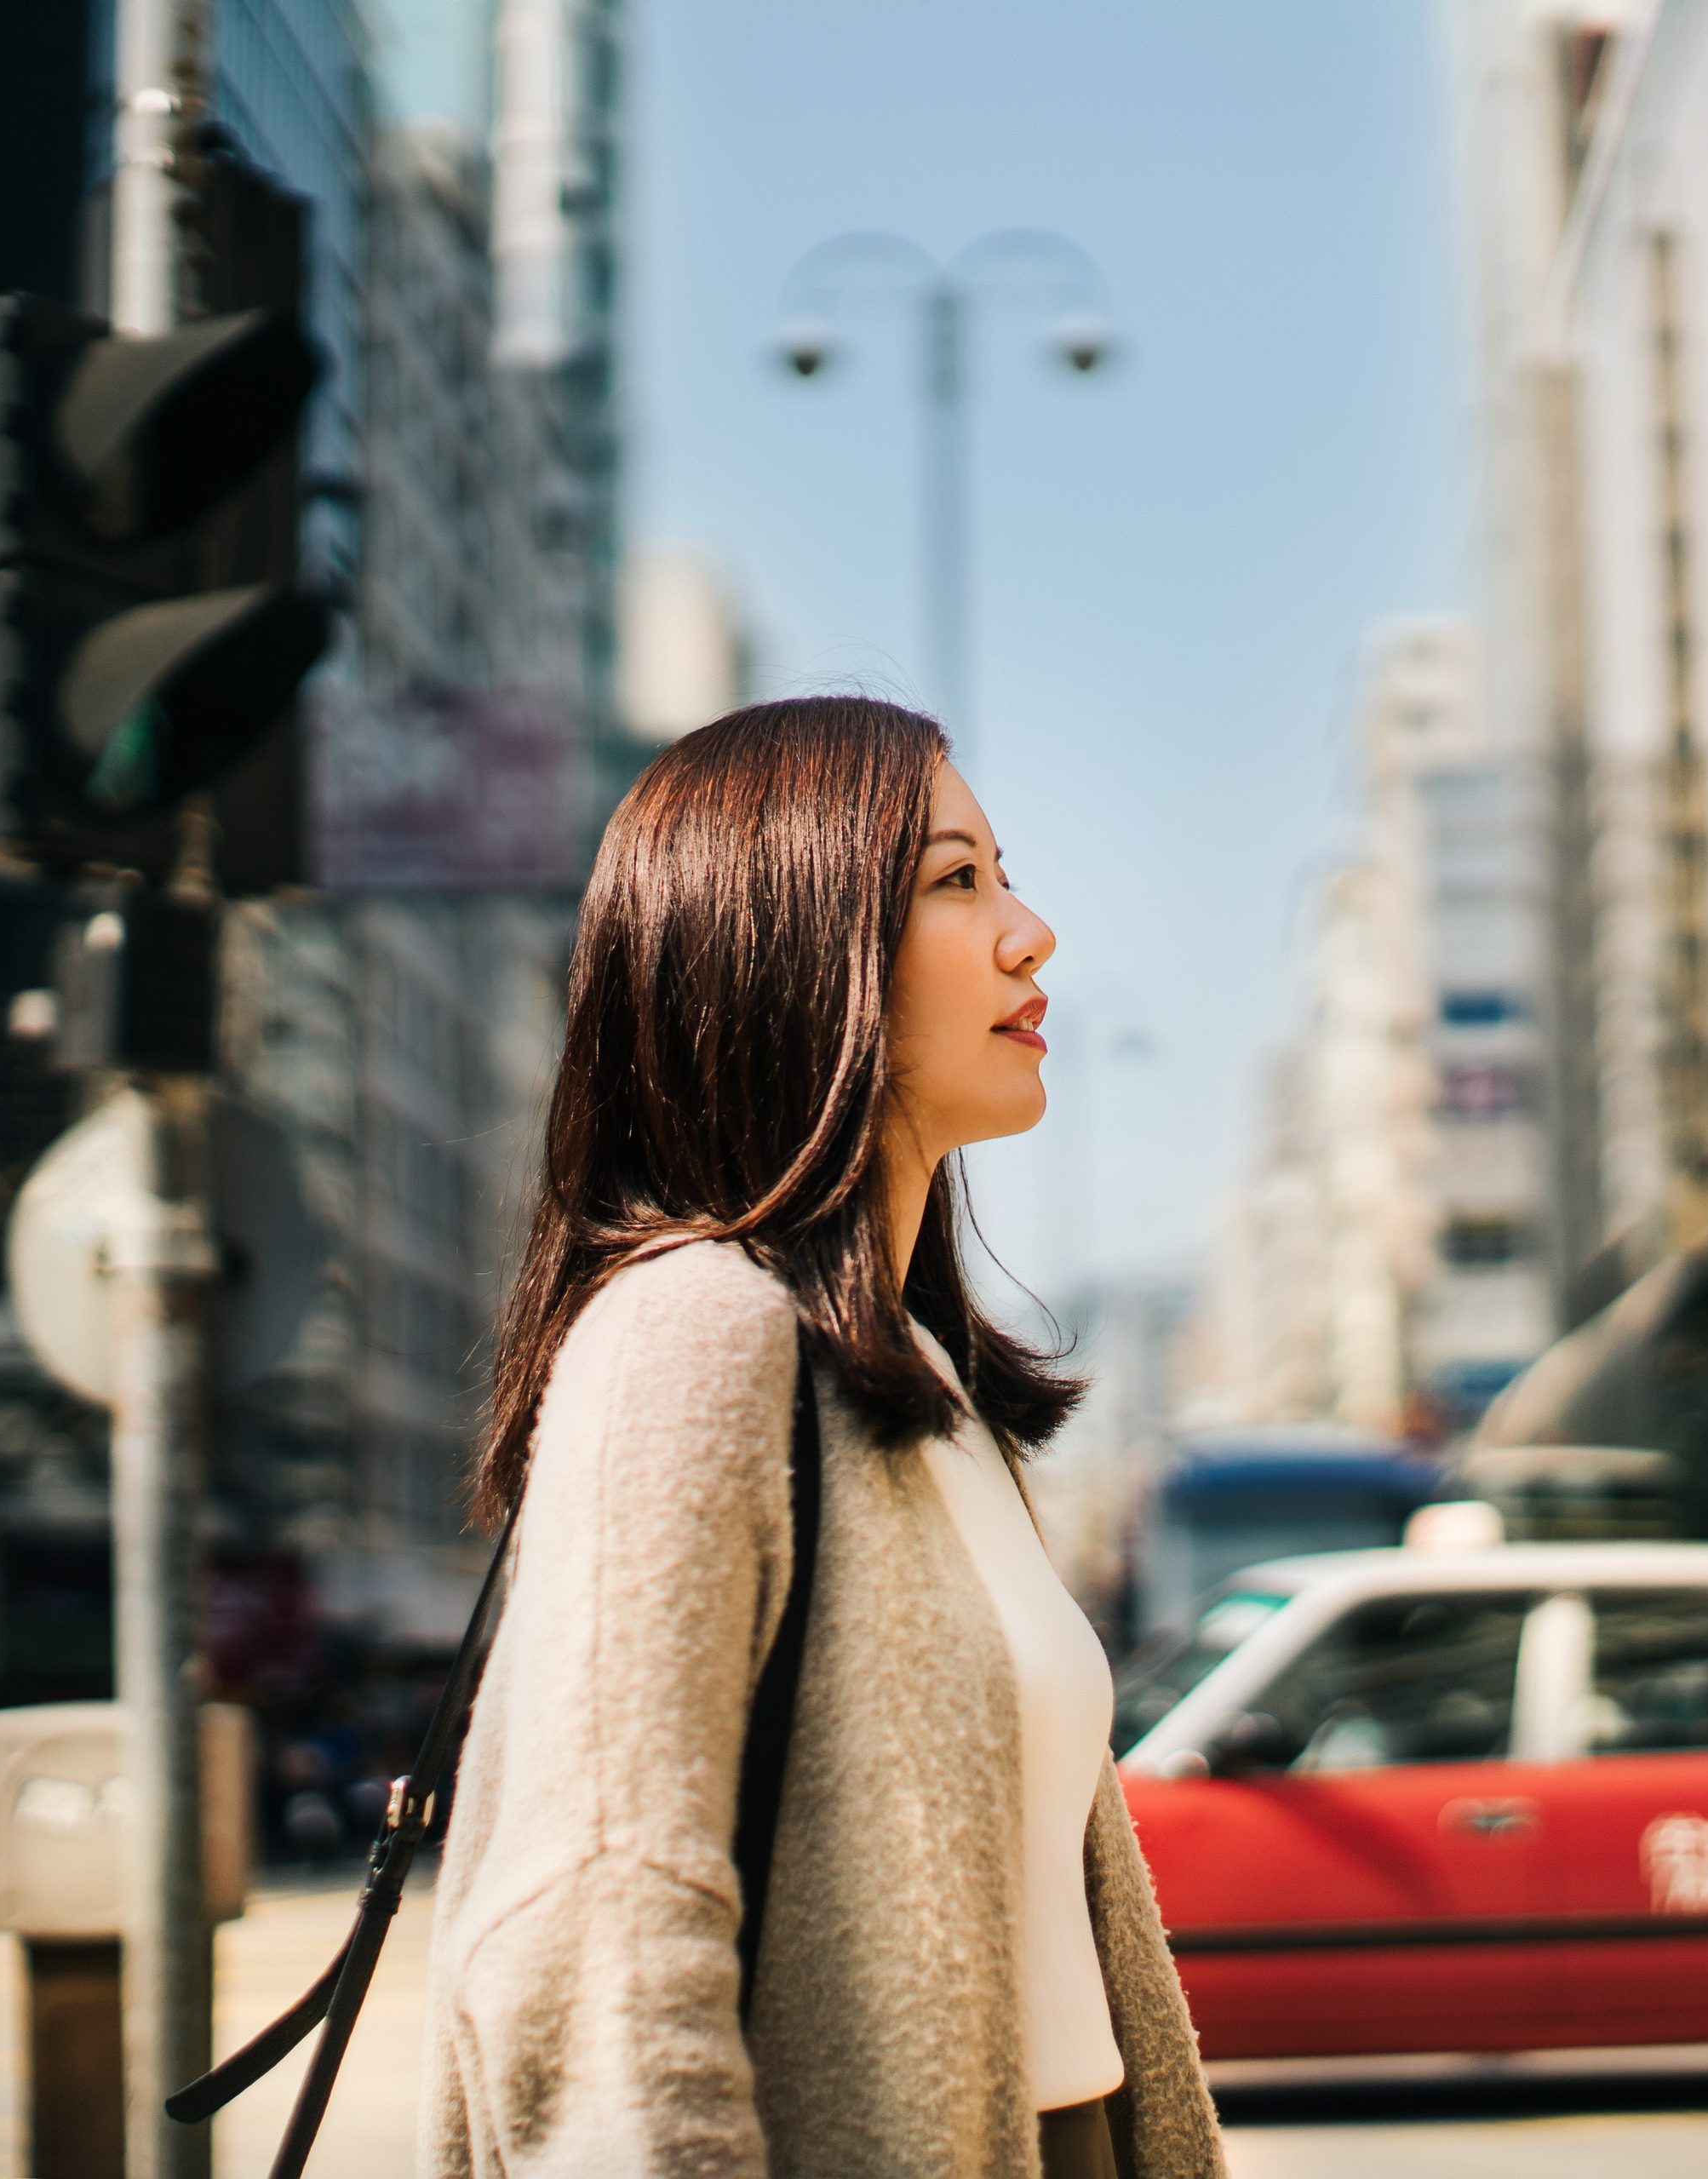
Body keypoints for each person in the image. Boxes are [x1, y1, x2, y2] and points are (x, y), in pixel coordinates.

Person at [419, 701, 1222, 2179]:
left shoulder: (924, 1386)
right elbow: (595, 1933)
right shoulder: (692, 1337)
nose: (1031, 933)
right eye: (956, 880)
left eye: (1005, 875)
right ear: (789, 948)